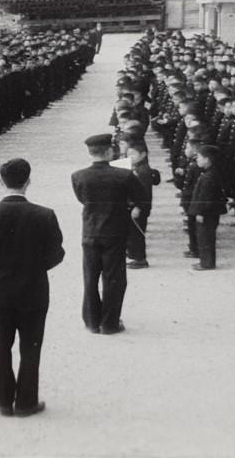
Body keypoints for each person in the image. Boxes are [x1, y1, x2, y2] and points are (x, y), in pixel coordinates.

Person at [0, 158, 64, 417]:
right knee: (31, 347)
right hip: (34, 289)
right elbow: (56, 254)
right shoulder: (45, 215)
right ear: (28, 181)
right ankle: (26, 402)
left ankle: (1, 399)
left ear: (1, 182)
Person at [71, 133, 145, 335]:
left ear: (90, 152)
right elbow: (139, 196)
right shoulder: (124, 175)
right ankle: (110, 323)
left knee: (90, 277)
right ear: (109, 151)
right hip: (115, 231)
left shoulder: (78, 176)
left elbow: (82, 199)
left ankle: (92, 321)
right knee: (114, 278)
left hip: (90, 230)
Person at [188, 145, 227, 271]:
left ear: (207, 160)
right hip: (208, 212)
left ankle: (207, 263)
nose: (197, 160)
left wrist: (200, 213)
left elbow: (206, 198)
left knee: (205, 238)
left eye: (199, 157)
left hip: (207, 213)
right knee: (204, 237)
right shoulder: (209, 173)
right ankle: (205, 261)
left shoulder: (209, 176)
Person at [125, 140, 159, 269]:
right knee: (133, 233)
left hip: (139, 207)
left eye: (133, 154)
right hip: (136, 206)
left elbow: (143, 193)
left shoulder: (142, 171)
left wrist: (138, 206)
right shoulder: (138, 168)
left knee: (137, 234)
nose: (130, 157)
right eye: (128, 154)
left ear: (143, 154)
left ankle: (140, 259)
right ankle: (134, 255)